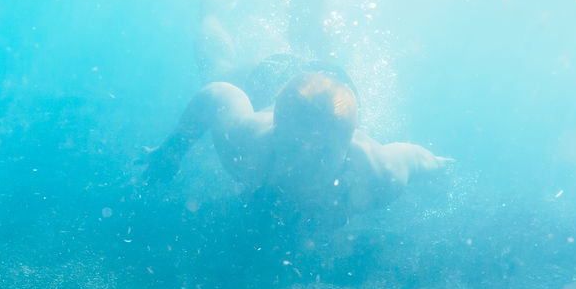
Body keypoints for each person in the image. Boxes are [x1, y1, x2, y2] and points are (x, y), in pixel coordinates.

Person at [144, 70, 451, 225]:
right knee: (220, 67)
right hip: (281, 78)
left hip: (336, 93)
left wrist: (442, 164)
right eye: (292, 150)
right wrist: (171, 151)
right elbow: (218, 93)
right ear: (276, 135)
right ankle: (209, 7)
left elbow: (414, 158)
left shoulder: (378, 174)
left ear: (348, 147)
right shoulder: (247, 145)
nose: (301, 168)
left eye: (321, 155)